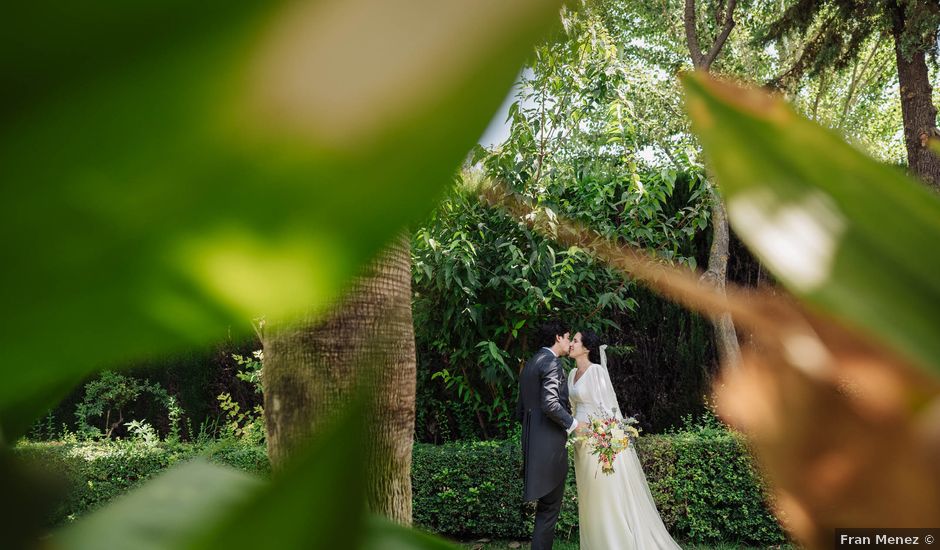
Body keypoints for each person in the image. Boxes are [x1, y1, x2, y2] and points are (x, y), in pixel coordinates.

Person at [568, 330, 681, 549]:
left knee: (603, 495)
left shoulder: (596, 371)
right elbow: (573, 408)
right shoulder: (572, 373)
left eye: (575, 341)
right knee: (588, 497)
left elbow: (608, 408)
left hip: (597, 442)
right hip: (579, 443)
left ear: (587, 348)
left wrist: (607, 440)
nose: (571, 344)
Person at [516, 320, 579, 550]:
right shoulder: (552, 363)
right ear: (557, 337)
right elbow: (551, 403)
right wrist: (573, 423)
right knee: (549, 511)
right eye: (568, 336)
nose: (569, 342)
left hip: (532, 445)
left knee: (545, 510)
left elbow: (520, 411)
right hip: (550, 448)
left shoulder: (531, 363)